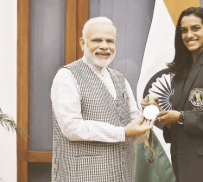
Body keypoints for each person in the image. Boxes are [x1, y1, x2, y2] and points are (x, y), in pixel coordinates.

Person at [143, 7, 203, 182]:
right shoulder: (182, 72)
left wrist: (180, 117)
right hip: (185, 167)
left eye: (195, 28)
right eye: (184, 30)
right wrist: (163, 117)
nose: (189, 35)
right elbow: (183, 121)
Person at [51, 17, 154, 182]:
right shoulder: (67, 76)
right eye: (97, 40)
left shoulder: (121, 79)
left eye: (110, 41)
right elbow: (71, 127)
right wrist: (123, 132)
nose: (104, 46)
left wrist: (148, 116)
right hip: (81, 176)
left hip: (123, 175)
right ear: (82, 43)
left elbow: (134, 132)